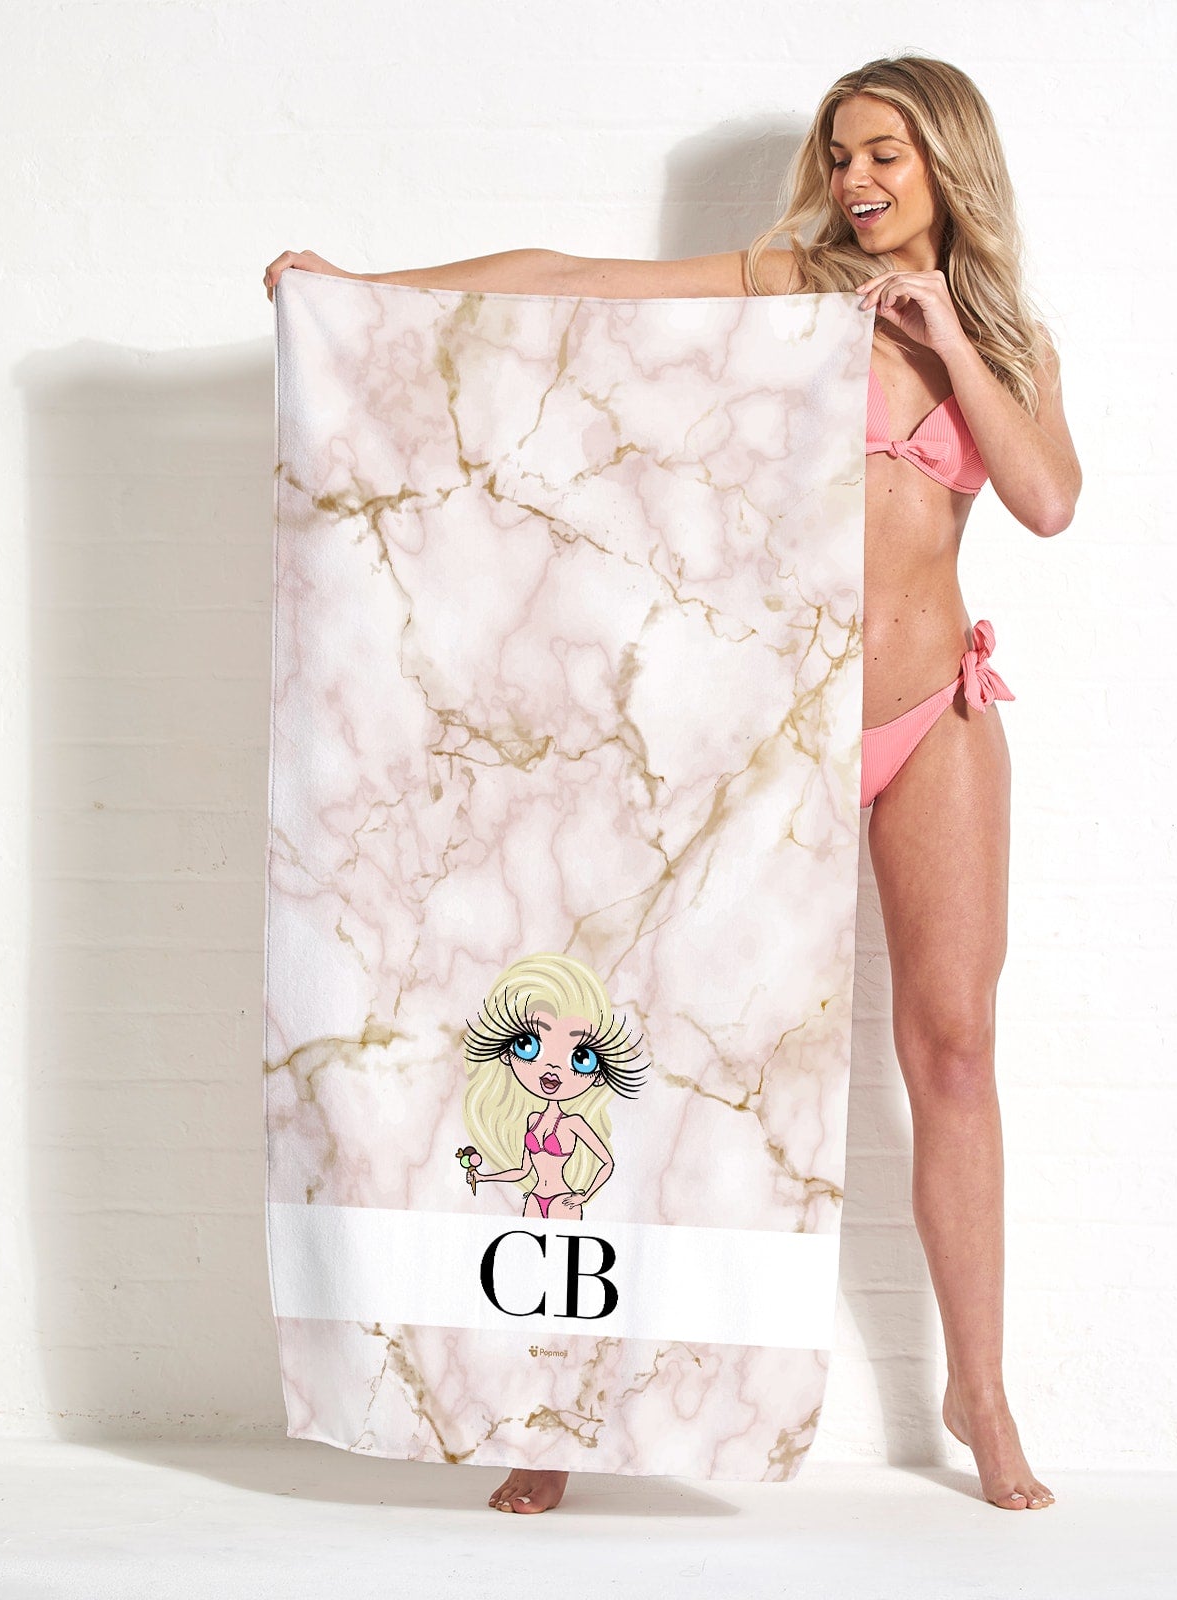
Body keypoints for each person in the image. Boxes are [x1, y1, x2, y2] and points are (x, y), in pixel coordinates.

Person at [264, 52, 1080, 1517]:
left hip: (936, 718)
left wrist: (952, 337)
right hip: (774, 732)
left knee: (955, 1051)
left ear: (948, 161)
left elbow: (1049, 501)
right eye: (841, 155)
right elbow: (575, 283)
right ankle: (568, 1400)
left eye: (885, 154)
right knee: (672, 1044)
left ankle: (984, 1390)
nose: (857, 181)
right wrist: (366, 289)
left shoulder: (1007, 340)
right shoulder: (793, 290)